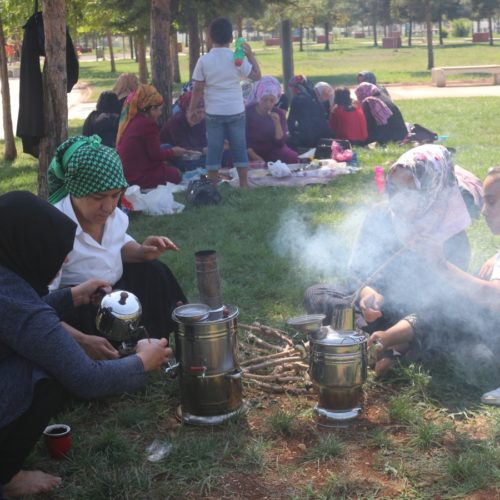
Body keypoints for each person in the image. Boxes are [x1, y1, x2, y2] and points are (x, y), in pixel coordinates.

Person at [0, 191, 171, 498]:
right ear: (31, 247)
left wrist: (73, 295)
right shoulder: (17, 305)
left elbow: (21, 310)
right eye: (58, 250)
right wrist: (142, 361)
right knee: (44, 372)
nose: (65, 257)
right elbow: (87, 378)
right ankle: (6, 476)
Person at [304, 145, 472, 375]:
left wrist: (394, 333)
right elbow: (355, 270)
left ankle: (386, 344)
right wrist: (367, 294)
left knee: (449, 320)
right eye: (393, 188)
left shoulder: (453, 236)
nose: (399, 199)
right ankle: (383, 347)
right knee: (317, 293)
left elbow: (447, 301)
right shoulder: (380, 215)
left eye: (409, 191)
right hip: (381, 312)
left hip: (420, 319)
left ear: (433, 189)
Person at [48, 135, 187, 343]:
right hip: (83, 307)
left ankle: (163, 334)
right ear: (75, 191)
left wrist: (141, 251)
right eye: (98, 197)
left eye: (115, 196)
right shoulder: (54, 228)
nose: (109, 206)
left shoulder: (112, 216)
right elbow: (42, 302)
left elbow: (119, 242)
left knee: (155, 270)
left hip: (117, 290)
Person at [187, 17, 262, 188]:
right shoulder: (237, 58)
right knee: (239, 147)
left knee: (214, 148)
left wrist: (190, 110)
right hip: (236, 110)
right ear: (230, 39)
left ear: (210, 38)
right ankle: (244, 184)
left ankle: (212, 186)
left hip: (214, 112)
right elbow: (257, 76)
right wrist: (249, 54)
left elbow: (197, 89)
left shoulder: (204, 60)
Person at [116, 84, 186, 188]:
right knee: (177, 174)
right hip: (136, 177)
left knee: (166, 146)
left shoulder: (134, 119)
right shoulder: (148, 124)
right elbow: (155, 155)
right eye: (160, 109)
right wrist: (173, 152)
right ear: (152, 109)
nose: (160, 113)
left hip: (128, 170)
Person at [245, 76, 299, 164]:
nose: (268, 104)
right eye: (264, 100)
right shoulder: (248, 112)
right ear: (259, 97)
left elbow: (280, 142)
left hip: (272, 151)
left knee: (291, 156)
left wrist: (277, 123)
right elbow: (242, 139)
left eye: (272, 100)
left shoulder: (279, 113)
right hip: (251, 151)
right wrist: (255, 157)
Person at [160, 90, 207, 170]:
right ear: (187, 111)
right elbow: (182, 148)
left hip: (194, 156)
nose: (201, 116)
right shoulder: (175, 122)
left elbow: (204, 142)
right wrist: (202, 150)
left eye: (203, 112)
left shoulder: (202, 121)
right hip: (176, 156)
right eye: (198, 112)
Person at [287, 75, 332, 150]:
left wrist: (292, 134)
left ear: (294, 88)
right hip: (323, 138)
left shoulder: (298, 99)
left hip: (306, 140)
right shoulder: (316, 96)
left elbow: (291, 122)